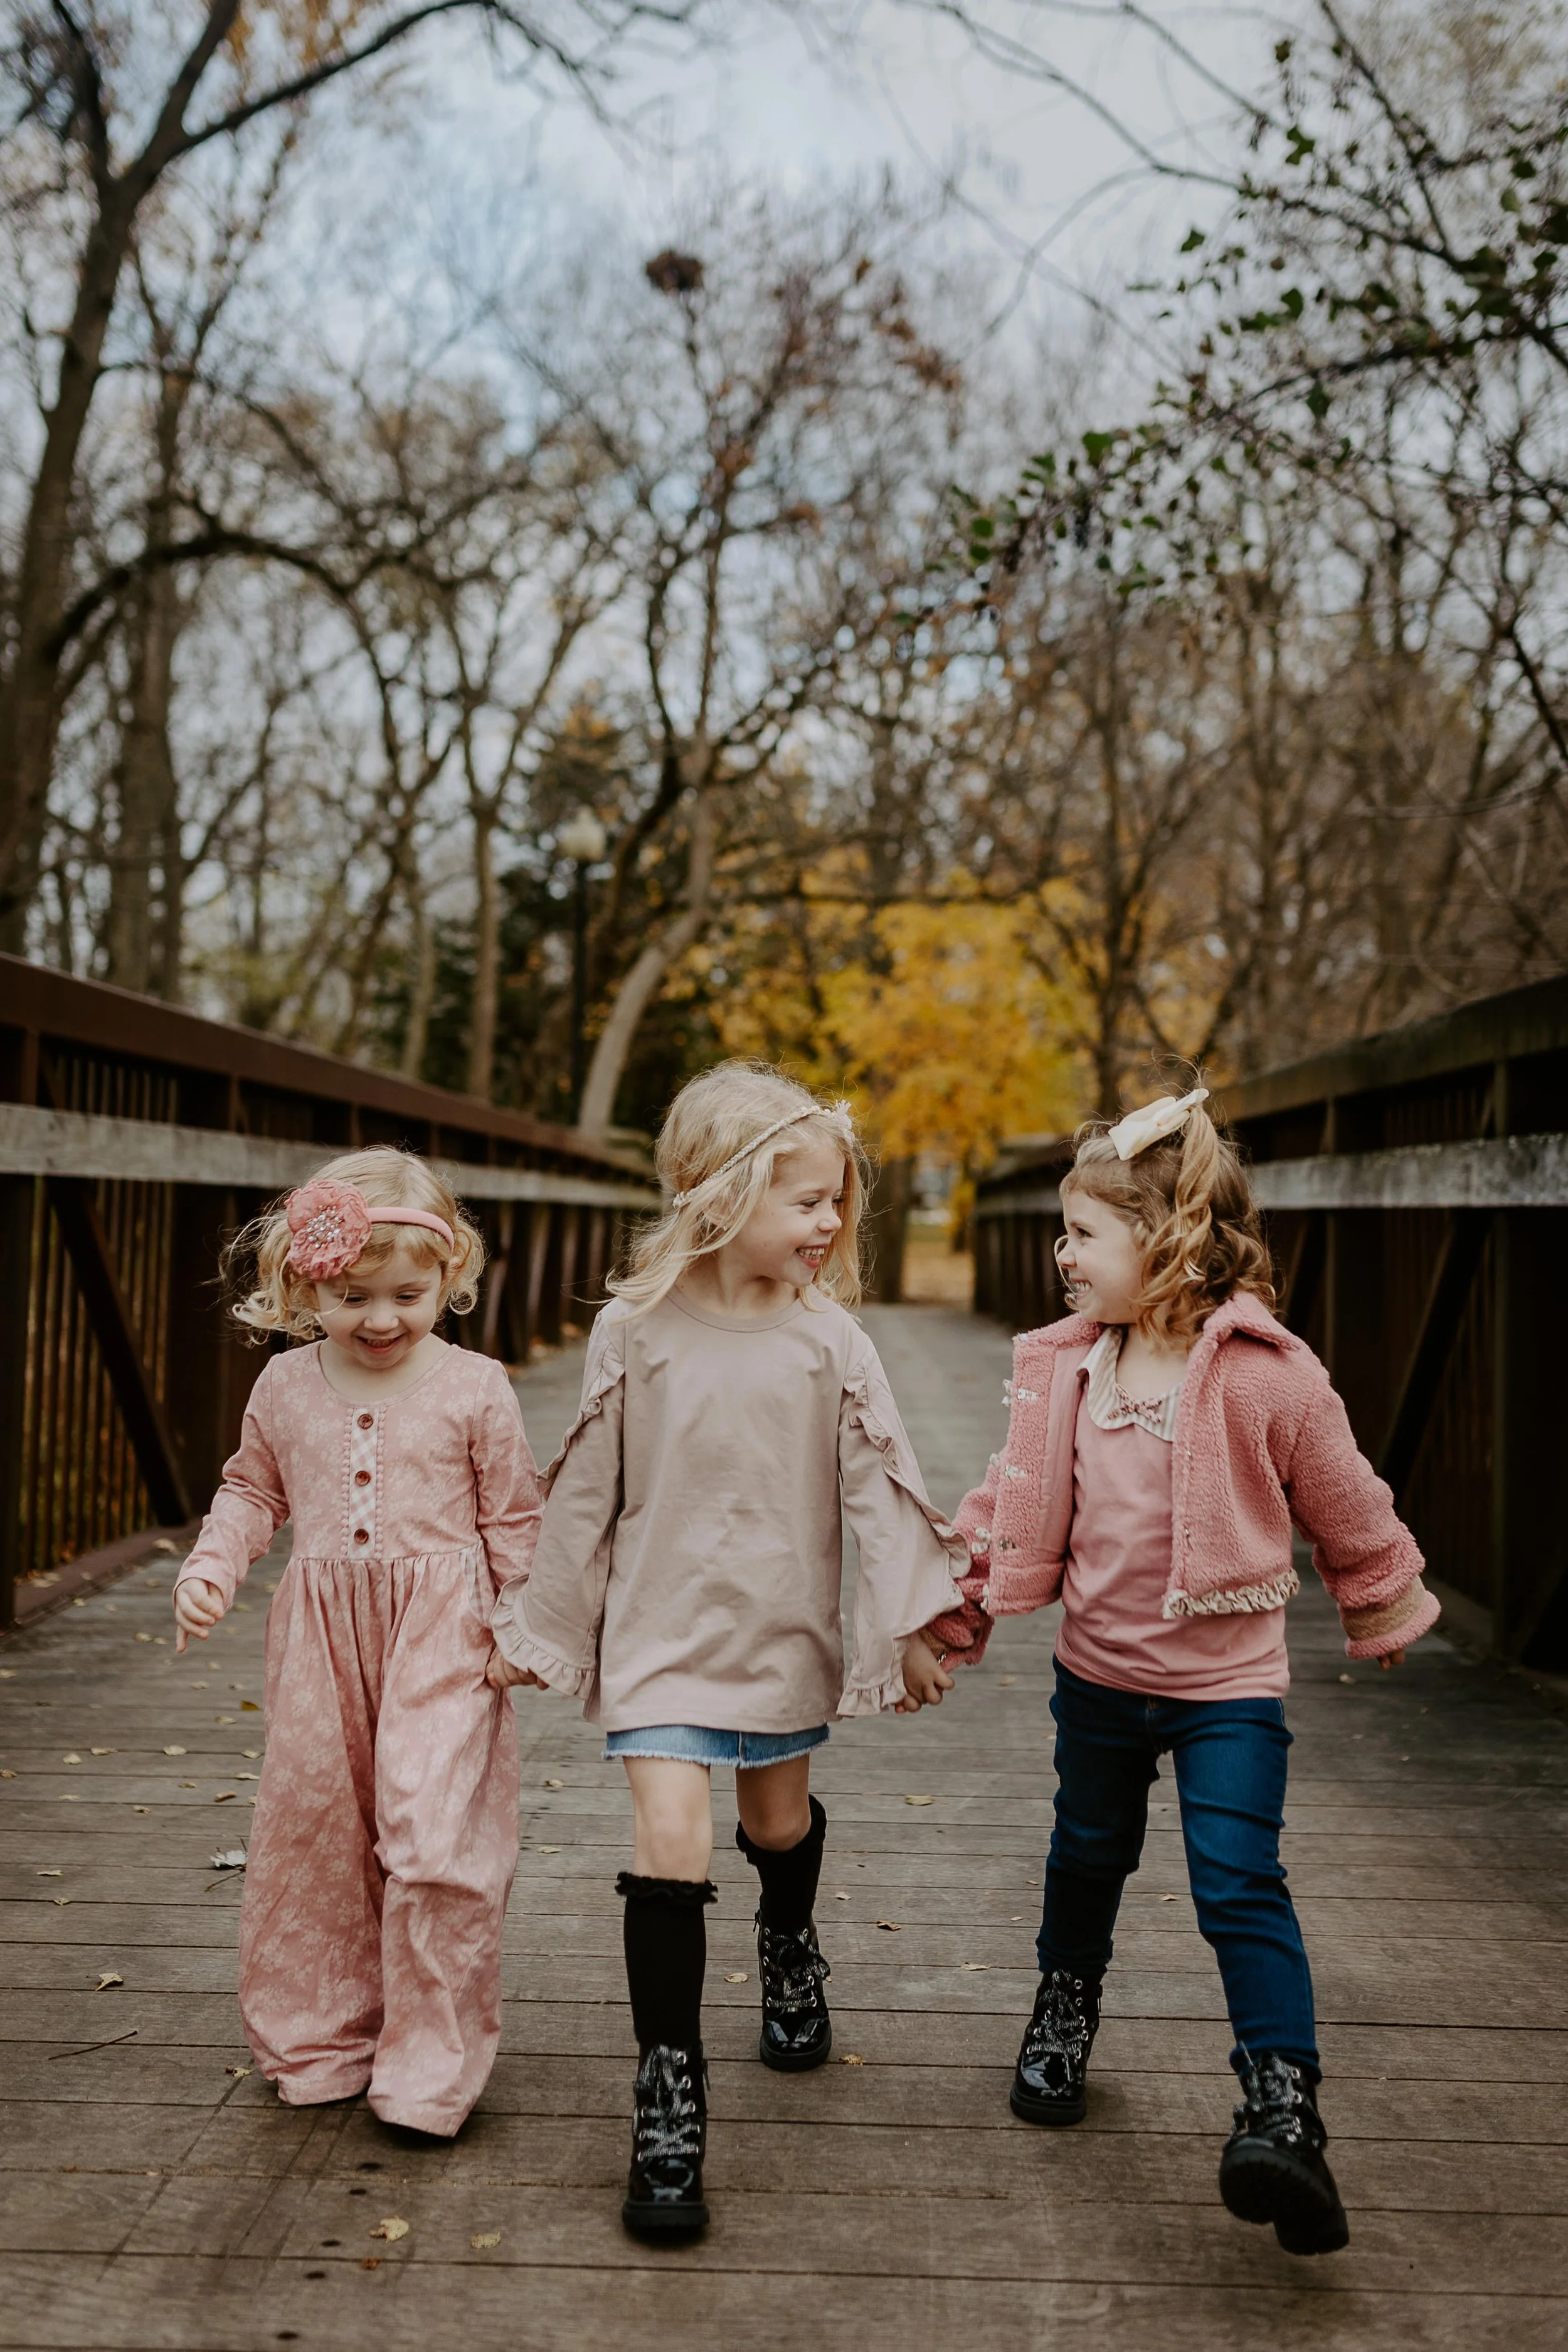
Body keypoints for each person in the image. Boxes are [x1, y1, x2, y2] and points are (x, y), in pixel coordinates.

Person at [929, 1085, 1438, 2257]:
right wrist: (953, 1617)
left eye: (1084, 1235)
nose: (1062, 1254)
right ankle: (1065, 2008)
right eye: (1060, 1230)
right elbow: (1006, 1508)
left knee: (1238, 1880)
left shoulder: (1266, 1373)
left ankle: (1282, 2106)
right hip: (1098, 1676)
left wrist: (1380, 1595)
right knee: (1088, 1852)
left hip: (1229, 1693)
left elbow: (1344, 1494)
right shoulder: (1066, 1370)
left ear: (1164, 1241)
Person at [487, 1063, 964, 2240]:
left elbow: (883, 1488)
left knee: (774, 1827)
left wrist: (908, 1625)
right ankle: (669, 2094)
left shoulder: (832, 1342)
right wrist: (537, 1633)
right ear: (720, 1192)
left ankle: (788, 1937)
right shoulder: (633, 1328)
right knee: (668, 1836)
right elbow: (584, 1489)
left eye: (838, 1202)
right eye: (807, 1201)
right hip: (657, 1635)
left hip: (780, 1632)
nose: (831, 1224)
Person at [171, 1147, 541, 2138]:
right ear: (304, 1283)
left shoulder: (476, 1388)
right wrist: (213, 1566)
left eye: (408, 1294)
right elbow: (254, 1488)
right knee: (315, 1832)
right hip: (320, 1644)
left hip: (445, 1641)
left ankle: (431, 2061)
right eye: (352, 1296)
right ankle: (323, 2037)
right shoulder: (286, 1387)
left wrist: (523, 1625)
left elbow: (514, 1519)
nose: (381, 1318)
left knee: (434, 1838)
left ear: (450, 1275)